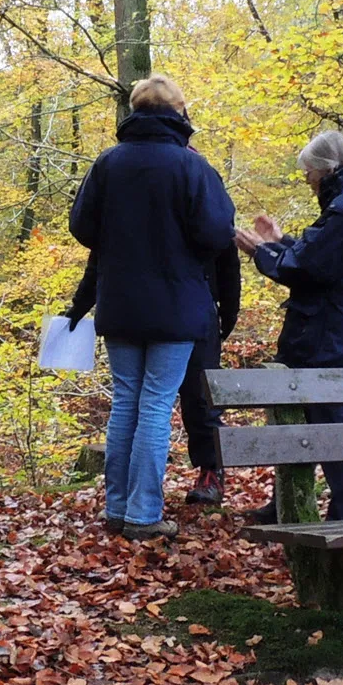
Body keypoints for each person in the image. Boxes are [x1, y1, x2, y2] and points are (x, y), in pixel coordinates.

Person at [68, 75, 235, 540]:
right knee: (157, 405)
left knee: (125, 402)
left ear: (135, 110)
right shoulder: (192, 168)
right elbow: (218, 234)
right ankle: (143, 515)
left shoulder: (108, 164)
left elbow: (82, 227)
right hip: (176, 307)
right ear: (179, 112)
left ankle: (117, 508)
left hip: (120, 303)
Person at [233, 130, 343, 524]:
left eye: (308, 173)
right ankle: (289, 504)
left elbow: (306, 269)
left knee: (332, 428)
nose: (307, 181)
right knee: (303, 423)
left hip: (330, 337)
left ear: (325, 171)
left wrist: (261, 251)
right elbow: (325, 258)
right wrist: (281, 240)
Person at [66, 211, 241, 508]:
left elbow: (226, 258)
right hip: (161, 312)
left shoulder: (198, 201)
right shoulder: (135, 200)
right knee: (144, 404)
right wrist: (80, 305)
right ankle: (138, 498)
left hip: (195, 311)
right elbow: (100, 258)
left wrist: (227, 313)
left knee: (198, 397)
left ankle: (209, 473)